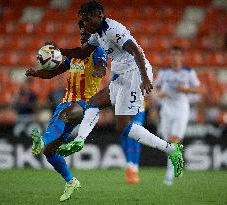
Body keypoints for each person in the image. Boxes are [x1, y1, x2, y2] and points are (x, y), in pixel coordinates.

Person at [57, 1, 184, 178]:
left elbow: (136, 51)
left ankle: (171, 150)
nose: (84, 23)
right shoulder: (96, 34)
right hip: (121, 74)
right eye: (83, 20)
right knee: (93, 102)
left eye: (86, 19)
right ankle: (79, 140)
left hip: (134, 73)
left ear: (98, 15)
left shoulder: (113, 29)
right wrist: (59, 50)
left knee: (123, 127)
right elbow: (82, 53)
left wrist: (145, 79)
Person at [25, 20, 107, 202]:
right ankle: (71, 181)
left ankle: (41, 141)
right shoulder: (75, 56)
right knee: (49, 151)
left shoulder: (98, 52)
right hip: (66, 102)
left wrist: (99, 72)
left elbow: (102, 68)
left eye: (87, 34)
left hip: (87, 104)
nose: (84, 37)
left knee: (65, 116)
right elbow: (53, 73)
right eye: (82, 34)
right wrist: (36, 73)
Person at [155, 46, 200, 185]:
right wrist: (160, 93)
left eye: (177, 55)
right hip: (166, 109)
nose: (175, 58)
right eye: (173, 55)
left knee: (174, 140)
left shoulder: (188, 72)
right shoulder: (164, 72)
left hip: (181, 109)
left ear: (182, 57)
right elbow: (156, 87)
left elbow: (197, 89)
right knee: (167, 143)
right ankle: (177, 161)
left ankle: (169, 175)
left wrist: (185, 89)